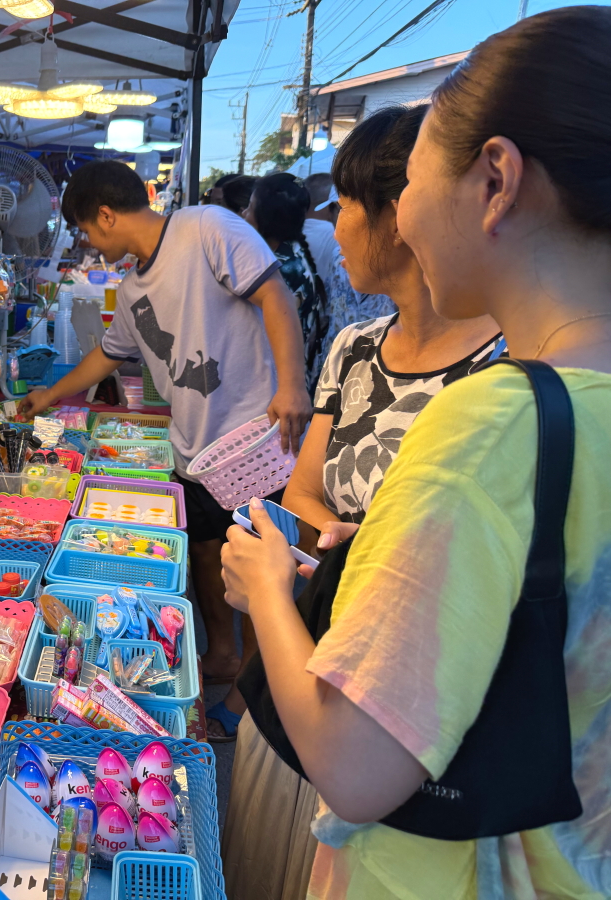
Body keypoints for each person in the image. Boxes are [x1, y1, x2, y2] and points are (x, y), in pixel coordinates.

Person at [221, 8, 611, 897]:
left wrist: (270, 588)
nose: (399, 215)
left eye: (415, 180)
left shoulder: (493, 423)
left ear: (496, 180)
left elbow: (353, 765)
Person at [218, 105, 502, 900]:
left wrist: (346, 558)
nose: (333, 226)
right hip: (299, 662)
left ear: (403, 213)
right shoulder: (354, 349)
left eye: (345, 204)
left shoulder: (503, 378)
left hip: (390, 724)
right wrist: (318, 546)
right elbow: (304, 490)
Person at [19, 160, 312, 684]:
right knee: (204, 550)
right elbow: (107, 356)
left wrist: (292, 385)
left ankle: (253, 687)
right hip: (192, 448)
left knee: (261, 562)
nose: (89, 244)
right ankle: (222, 653)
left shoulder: (206, 228)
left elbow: (275, 295)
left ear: (105, 215)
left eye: (86, 230)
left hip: (255, 440)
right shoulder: (133, 289)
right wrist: (49, 396)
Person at [246, 173, 328, 390]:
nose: (244, 215)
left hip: (277, 390)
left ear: (266, 217)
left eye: (250, 208)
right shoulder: (292, 255)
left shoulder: (277, 271)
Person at [304, 172, 396, 350]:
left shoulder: (389, 254)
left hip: (367, 352)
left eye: (343, 209)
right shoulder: (338, 253)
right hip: (348, 351)